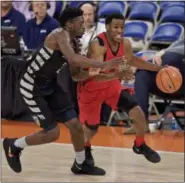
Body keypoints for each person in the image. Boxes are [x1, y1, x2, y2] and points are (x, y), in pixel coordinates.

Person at [3, 8, 123, 176]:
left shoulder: (73, 43)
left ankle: (81, 164)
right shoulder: (58, 34)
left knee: (75, 125)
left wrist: (101, 74)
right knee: (52, 133)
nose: (83, 25)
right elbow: (74, 59)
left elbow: (75, 75)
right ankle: (14, 145)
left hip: (50, 84)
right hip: (32, 86)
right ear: (69, 24)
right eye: (80, 23)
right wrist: (103, 65)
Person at [71, 14, 164, 168]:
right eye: (115, 27)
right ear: (107, 27)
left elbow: (133, 60)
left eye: (122, 27)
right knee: (90, 130)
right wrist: (118, 74)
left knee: (138, 114)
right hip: (91, 89)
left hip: (111, 86)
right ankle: (84, 154)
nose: (119, 30)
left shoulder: (125, 44)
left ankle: (139, 145)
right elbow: (96, 77)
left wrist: (158, 69)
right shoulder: (97, 45)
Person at [126, 36, 185, 134]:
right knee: (142, 73)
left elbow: (173, 53)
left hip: (181, 82)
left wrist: (164, 53)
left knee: (169, 57)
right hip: (167, 81)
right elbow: (174, 46)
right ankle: (141, 122)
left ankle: (144, 64)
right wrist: (163, 51)